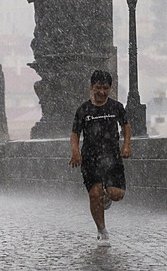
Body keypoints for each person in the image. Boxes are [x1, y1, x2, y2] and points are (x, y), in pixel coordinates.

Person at [70, 70, 132, 247]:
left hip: (112, 158)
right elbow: (75, 133)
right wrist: (75, 152)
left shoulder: (116, 107)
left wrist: (126, 145)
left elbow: (126, 126)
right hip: (90, 159)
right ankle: (102, 231)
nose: (102, 92)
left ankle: (107, 196)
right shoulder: (83, 110)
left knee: (117, 194)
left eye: (105, 88)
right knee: (94, 195)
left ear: (110, 89)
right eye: (98, 88)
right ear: (92, 87)